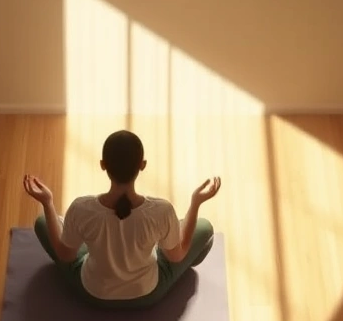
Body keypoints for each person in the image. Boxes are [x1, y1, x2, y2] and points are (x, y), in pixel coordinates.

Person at [22, 129, 219, 308]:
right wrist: (195, 203)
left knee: (43, 222)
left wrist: (48, 203)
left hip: (93, 293)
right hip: (147, 294)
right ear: (142, 165)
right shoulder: (162, 211)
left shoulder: (81, 209)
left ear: (103, 165)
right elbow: (176, 256)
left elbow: (65, 256)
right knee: (204, 227)